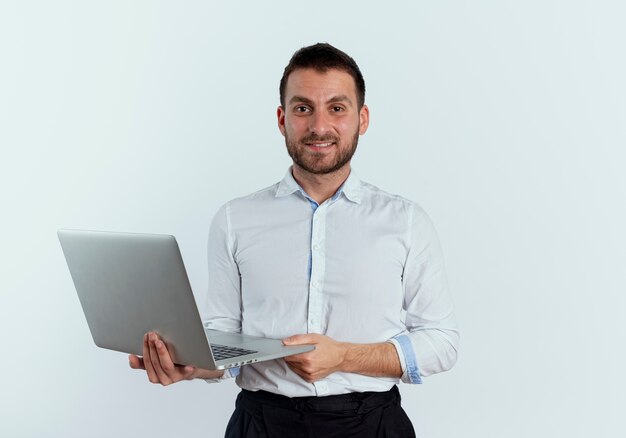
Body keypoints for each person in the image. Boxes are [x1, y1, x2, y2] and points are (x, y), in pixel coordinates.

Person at [129, 43, 459, 437]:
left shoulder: (406, 221)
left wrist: (344, 358)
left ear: (362, 119)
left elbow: (441, 343)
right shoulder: (235, 219)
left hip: (371, 424)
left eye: (337, 108)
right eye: (303, 109)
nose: (320, 126)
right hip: (261, 423)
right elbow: (224, 335)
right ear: (282, 119)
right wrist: (191, 363)